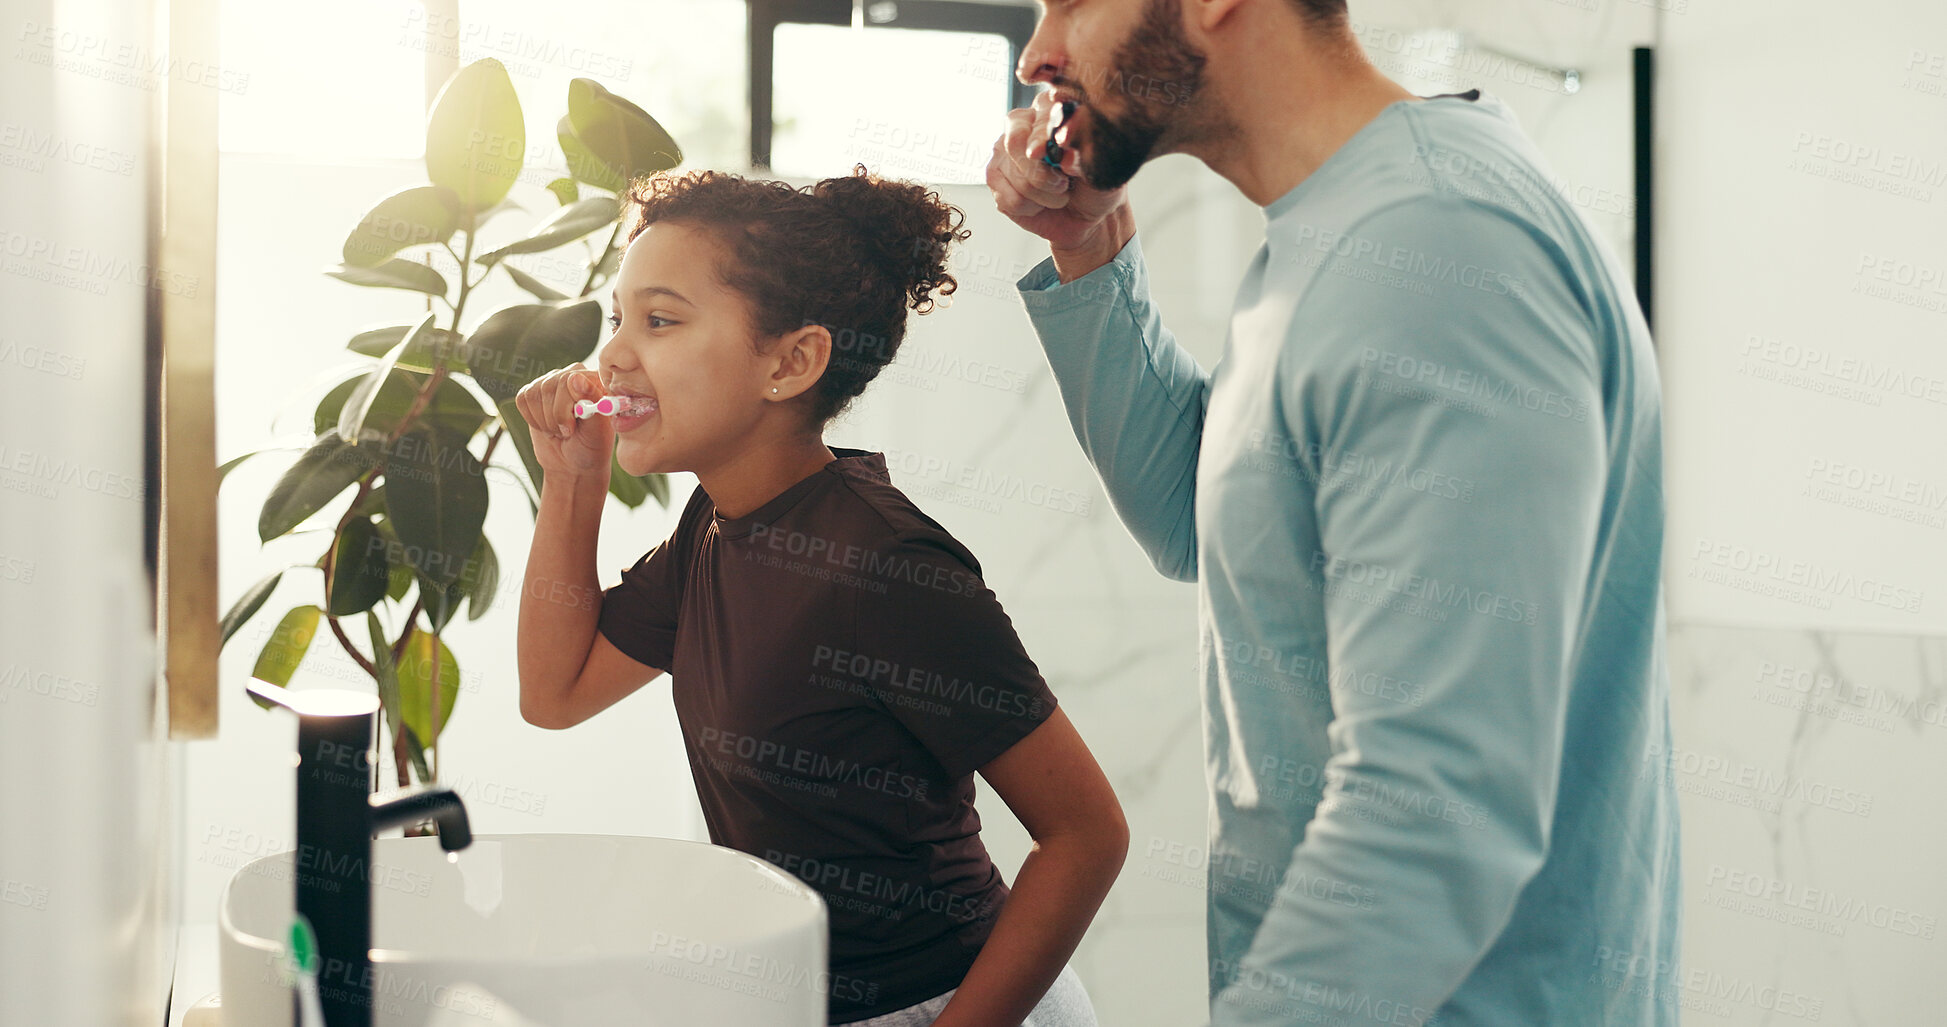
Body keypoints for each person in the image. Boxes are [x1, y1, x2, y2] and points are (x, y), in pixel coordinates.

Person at [985, 0, 1679, 1023]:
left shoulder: (1437, 251)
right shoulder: (1339, 232)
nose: (1039, 53)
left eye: (1072, 2)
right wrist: (1085, 245)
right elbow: (1194, 513)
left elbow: (1436, 807)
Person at [513, 164, 1126, 1026]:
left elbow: (1088, 834)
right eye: (620, 317)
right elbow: (554, 693)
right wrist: (573, 481)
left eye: (658, 320)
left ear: (791, 362)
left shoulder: (888, 566)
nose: (612, 351)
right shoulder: (712, 531)